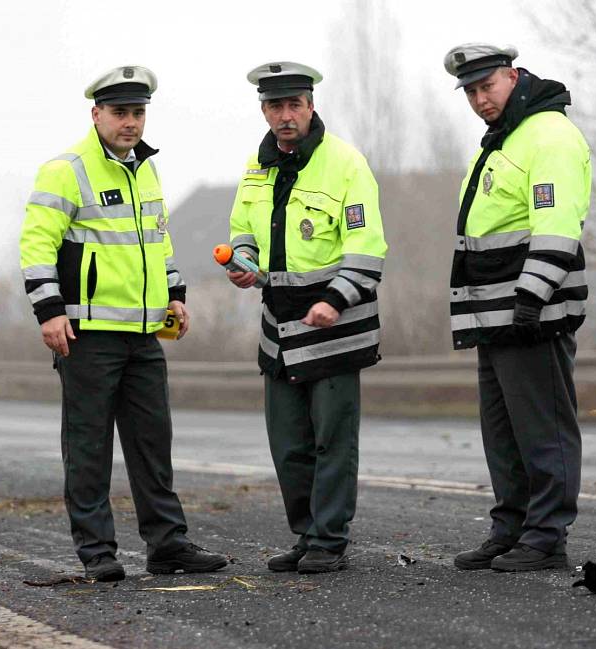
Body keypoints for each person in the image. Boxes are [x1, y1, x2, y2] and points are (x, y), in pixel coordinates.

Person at [19, 65, 227, 581]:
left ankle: (168, 545)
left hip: (143, 334)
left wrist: (175, 294)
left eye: (137, 112)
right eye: (120, 113)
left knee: (153, 443)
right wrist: (49, 312)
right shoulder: (65, 170)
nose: (130, 122)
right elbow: (36, 245)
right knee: (89, 446)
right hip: (86, 335)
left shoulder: (146, 169)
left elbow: (159, 242)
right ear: (97, 114)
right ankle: (98, 553)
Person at [226, 61, 387, 574]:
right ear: (264, 110)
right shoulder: (258, 166)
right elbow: (242, 228)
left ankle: (329, 540)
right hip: (278, 327)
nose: (285, 115)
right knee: (289, 443)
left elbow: (367, 244)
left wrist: (335, 300)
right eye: (275, 106)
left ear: (311, 106)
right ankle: (306, 535)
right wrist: (243, 262)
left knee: (332, 441)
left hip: (332, 326)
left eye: (294, 104)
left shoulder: (345, 163)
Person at [442, 44, 591, 571]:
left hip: (531, 314)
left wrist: (532, 295)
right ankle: (511, 528)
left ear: (513, 76)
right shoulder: (505, 138)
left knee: (543, 430)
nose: (480, 99)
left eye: (488, 87)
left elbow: (557, 223)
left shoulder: (547, 134)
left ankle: (546, 537)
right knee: (504, 433)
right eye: (472, 92)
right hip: (495, 317)